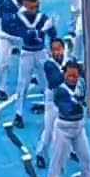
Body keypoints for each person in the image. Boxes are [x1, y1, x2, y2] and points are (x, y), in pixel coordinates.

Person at [44, 62, 90, 177]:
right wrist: (84, 102)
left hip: (79, 127)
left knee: (86, 157)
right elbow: (67, 108)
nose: (73, 79)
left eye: (75, 76)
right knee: (58, 160)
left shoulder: (81, 84)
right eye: (70, 76)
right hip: (64, 128)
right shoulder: (60, 91)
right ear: (64, 75)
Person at [35, 38, 71, 170]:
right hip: (52, 102)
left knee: (70, 128)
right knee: (49, 131)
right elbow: (55, 80)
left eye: (59, 49)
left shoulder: (68, 61)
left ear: (63, 49)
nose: (57, 52)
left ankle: (65, 155)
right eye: (54, 50)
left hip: (66, 100)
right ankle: (40, 153)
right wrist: (68, 72)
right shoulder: (49, 65)